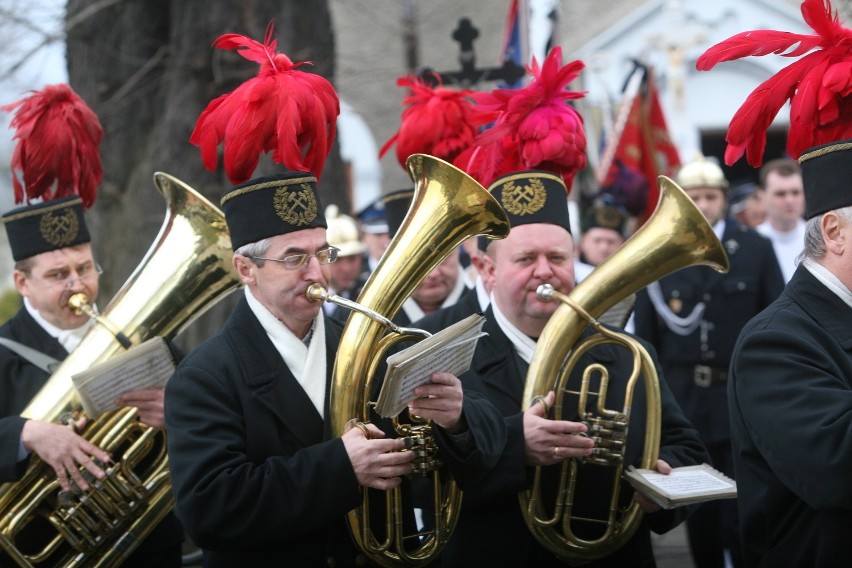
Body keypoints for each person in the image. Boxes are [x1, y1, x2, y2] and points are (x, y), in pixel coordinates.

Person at [165, 27, 504, 567]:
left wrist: (457, 418)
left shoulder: (368, 341)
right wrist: (339, 469)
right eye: (295, 258)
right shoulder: (205, 375)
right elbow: (209, 511)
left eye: (322, 252)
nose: (317, 271)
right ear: (244, 269)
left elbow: (479, 451)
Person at [416, 169, 709, 567]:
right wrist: (515, 445)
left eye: (557, 257)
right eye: (525, 259)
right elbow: (420, 481)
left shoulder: (628, 353)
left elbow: (688, 448)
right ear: (487, 271)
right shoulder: (437, 354)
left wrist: (663, 483)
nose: (544, 271)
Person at [0, 85, 181, 567]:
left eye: (85, 268)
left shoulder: (137, 338)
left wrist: (179, 410)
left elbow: (220, 415)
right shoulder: (2, 351)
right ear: (23, 282)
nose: (78, 283)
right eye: (59, 275)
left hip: (149, 551)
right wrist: (25, 435)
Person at [633, 155, 784, 568]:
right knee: (696, 507)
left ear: (723, 199)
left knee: (746, 503)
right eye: (694, 196)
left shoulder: (756, 247)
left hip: (739, 394)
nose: (703, 202)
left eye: (711, 195)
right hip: (684, 399)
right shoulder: (660, 252)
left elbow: (775, 320)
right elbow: (646, 338)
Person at [382, 188, 468, 325]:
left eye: (443, 259)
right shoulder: (366, 318)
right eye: (417, 263)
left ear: (460, 247)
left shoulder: (486, 308)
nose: (433, 274)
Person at [754, 158, 806, 283]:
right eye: (780, 194)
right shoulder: (752, 241)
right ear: (762, 197)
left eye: (795, 192)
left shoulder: (822, 240)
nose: (789, 200)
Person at [322, 204, 366, 321]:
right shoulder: (306, 302)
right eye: (337, 260)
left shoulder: (369, 294)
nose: (346, 268)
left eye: (352, 258)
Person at [574, 203, 628, 283]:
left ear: (622, 243)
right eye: (597, 240)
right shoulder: (566, 280)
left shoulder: (637, 282)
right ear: (583, 240)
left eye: (611, 242)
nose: (604, 248)